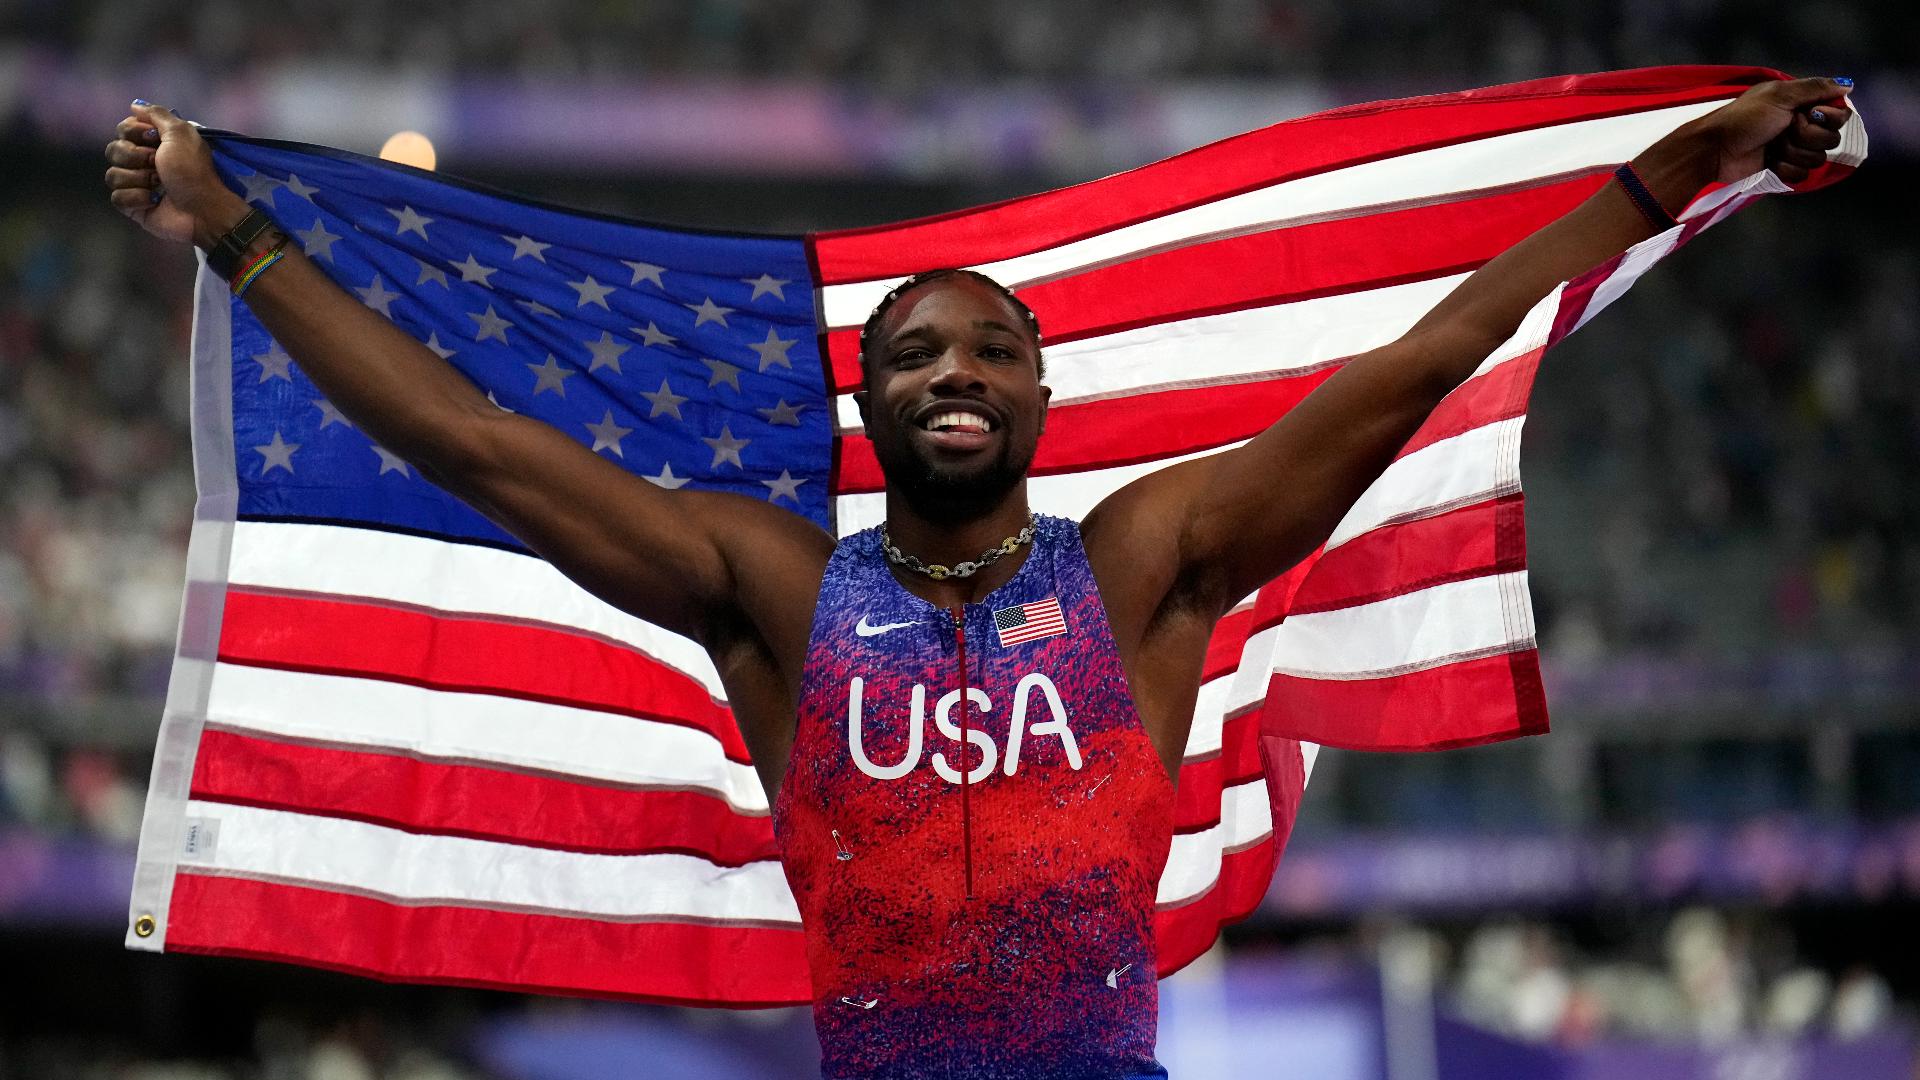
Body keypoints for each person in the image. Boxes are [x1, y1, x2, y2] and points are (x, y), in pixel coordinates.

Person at [105, 79, 1850, 1079]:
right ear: (870, 402)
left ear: (1036, 393)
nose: (955, 370)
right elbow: (484, 450)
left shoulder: (1148, 569)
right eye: (919, 352)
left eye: (990, 349)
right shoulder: (774, 589)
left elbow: (1418, 363)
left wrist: (1650, 183)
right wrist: (241, 237)